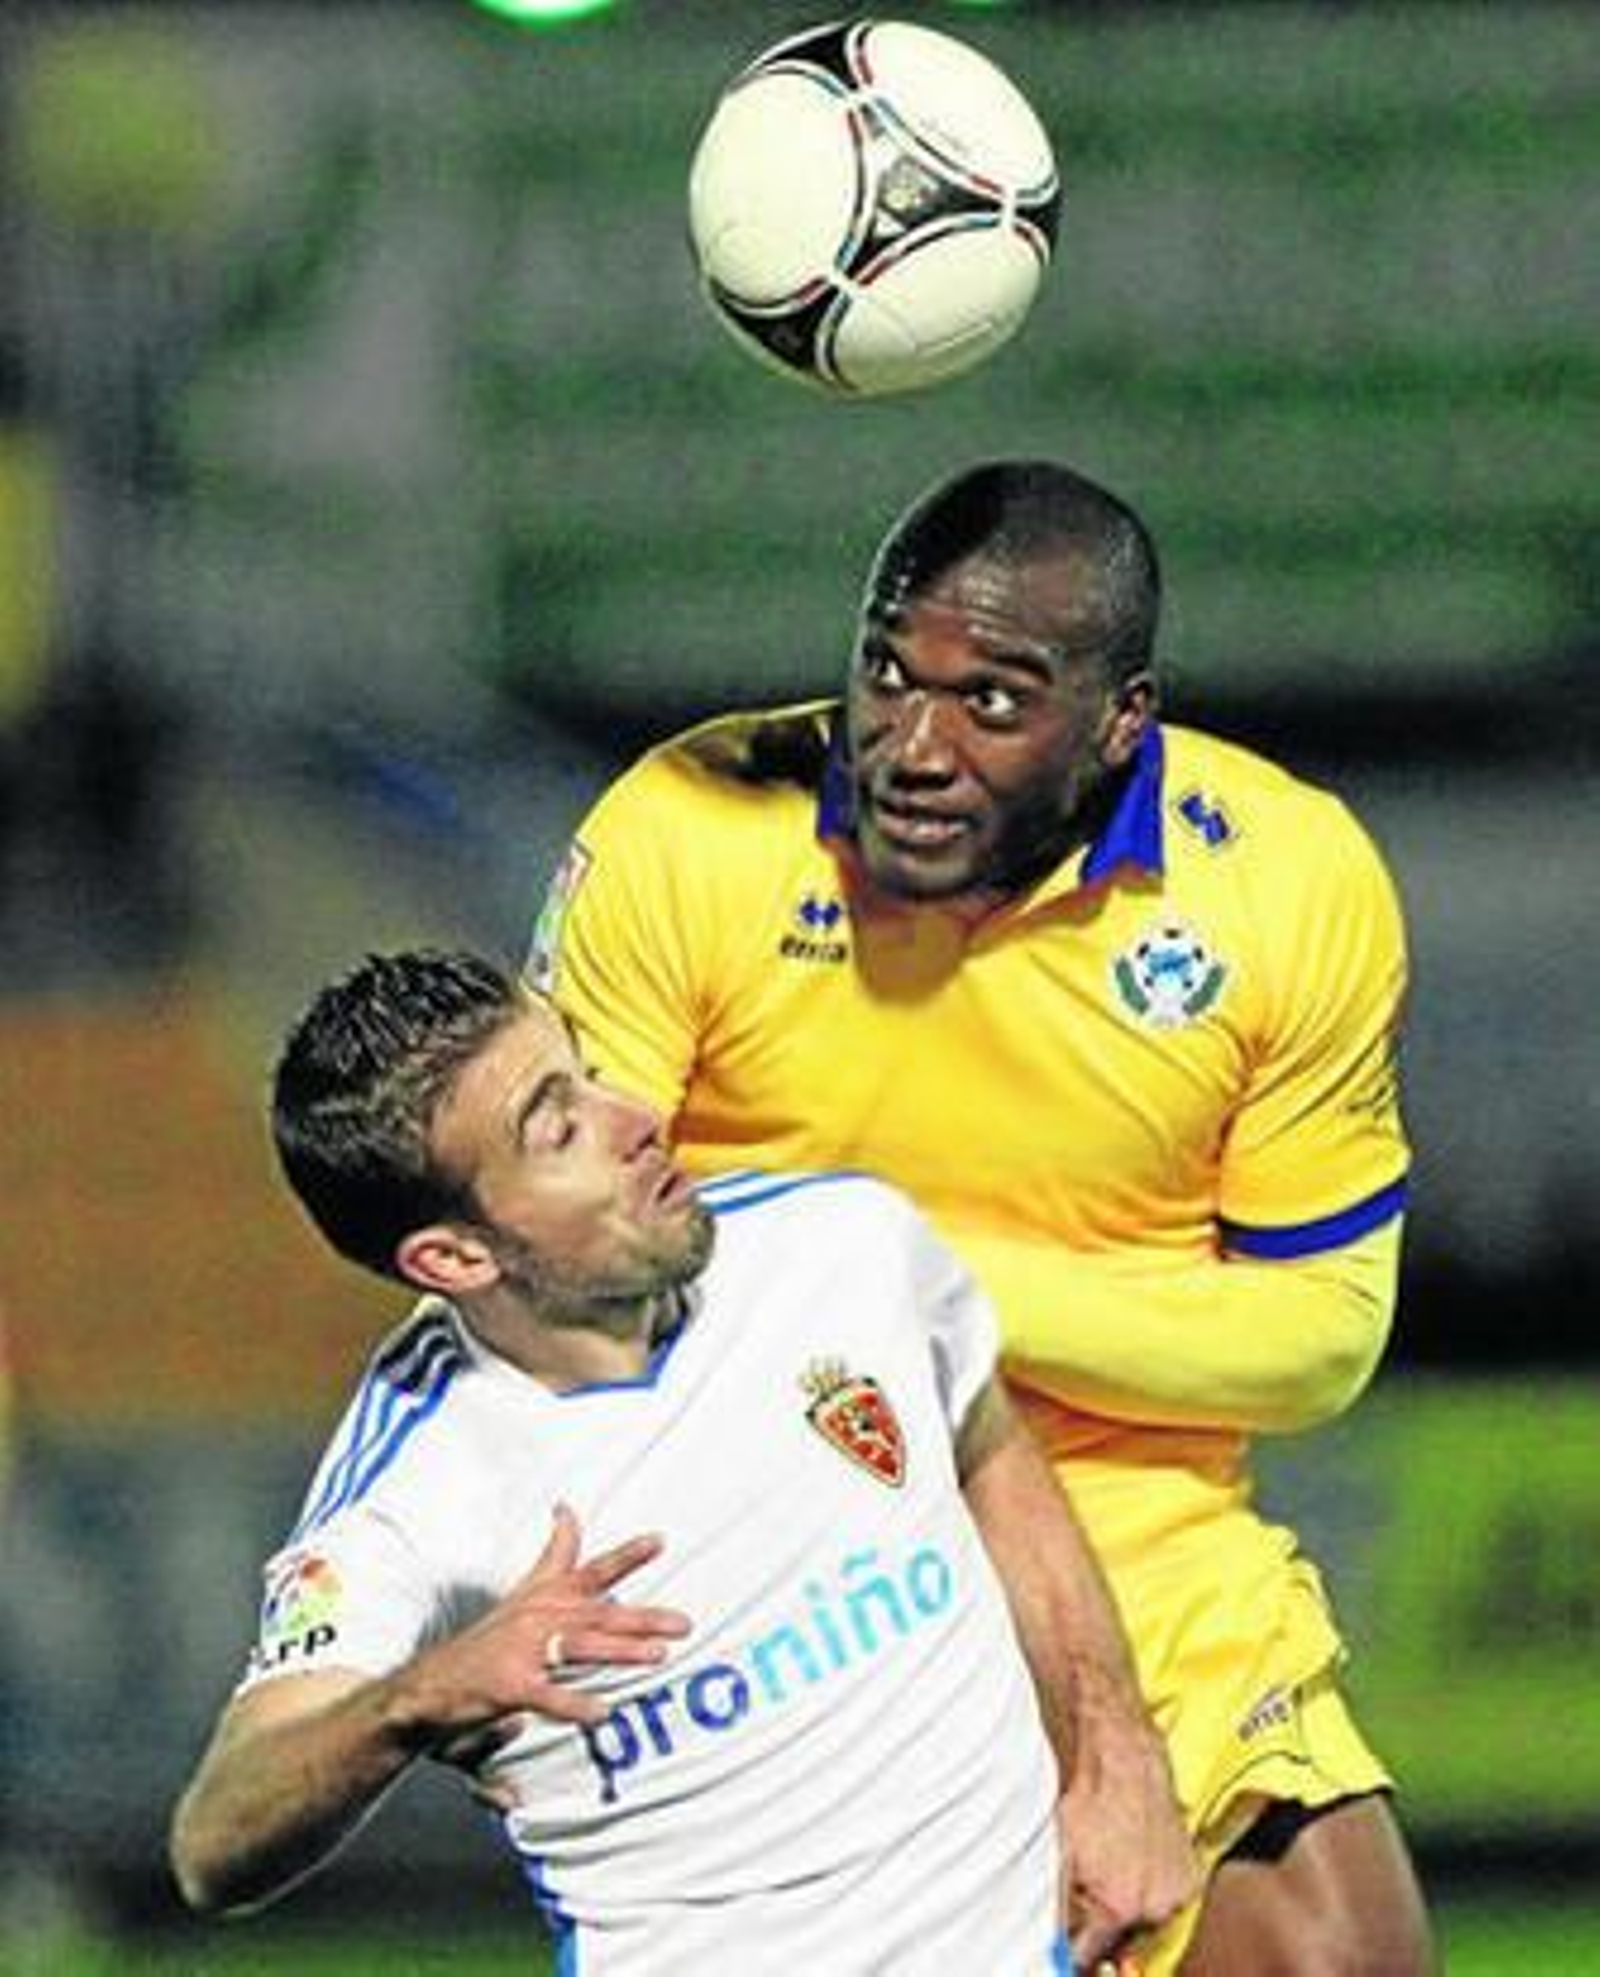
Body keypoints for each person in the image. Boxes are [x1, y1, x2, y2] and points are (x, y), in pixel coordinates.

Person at [529, 458, 1436, 1976]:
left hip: (1144, 1540)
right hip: (786, 1543)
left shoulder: (1287, 881)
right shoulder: (686, 833)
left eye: (993, 704)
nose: (914, 748)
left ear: (1118, 722)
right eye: (889, 675)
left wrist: (921, 1288)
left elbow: (1317, 1339)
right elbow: (559, 1249)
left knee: (1343, 1959)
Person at [169, 947, 1109, 1972]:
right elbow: (215, 1843)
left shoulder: (845, 1247)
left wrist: (1118, 1770)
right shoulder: (412, 1500)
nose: (636, 1119)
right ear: (457, 1259)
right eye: (559, 1128)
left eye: (588, 1070)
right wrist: (423, 1694)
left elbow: (991, 1452)